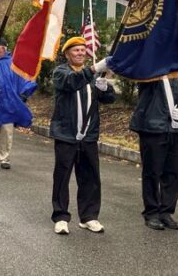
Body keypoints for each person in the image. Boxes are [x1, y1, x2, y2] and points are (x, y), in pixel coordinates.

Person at [50, 36, 115, 236]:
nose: (80, 53)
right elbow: (71, 83)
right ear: (67, 54)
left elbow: (109, 99)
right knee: (62, 176)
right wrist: (94, 70)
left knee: (90, 177)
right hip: (66, 134)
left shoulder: (93, 77)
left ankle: (89, 217)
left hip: (88, 135)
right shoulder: (61, 72)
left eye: (82, 50)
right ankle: (61, 217)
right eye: (75, 50)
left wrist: (105, 88)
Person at [130, 77, 178, 231]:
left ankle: (166, 212)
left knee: (174, 173)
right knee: (152, 173)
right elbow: (141, 74)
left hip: (177, 130)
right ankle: (152, 213)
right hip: (154, 128)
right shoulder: (154, 73)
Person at [0, 38, 37, 170]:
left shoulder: (14, 63)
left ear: (3, 48)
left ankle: (5, 158)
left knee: (6, 132)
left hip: (8, 103)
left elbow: (27, 77)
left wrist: (24, 93)